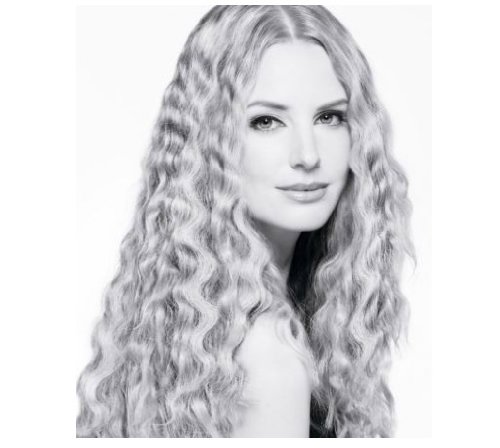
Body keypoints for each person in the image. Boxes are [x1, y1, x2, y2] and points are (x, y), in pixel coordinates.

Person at [76, 5, 414, 438]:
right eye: (266, 121)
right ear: (210, 143)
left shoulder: (192, 326)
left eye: (329, 117)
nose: (308, 155)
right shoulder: (270, 356)